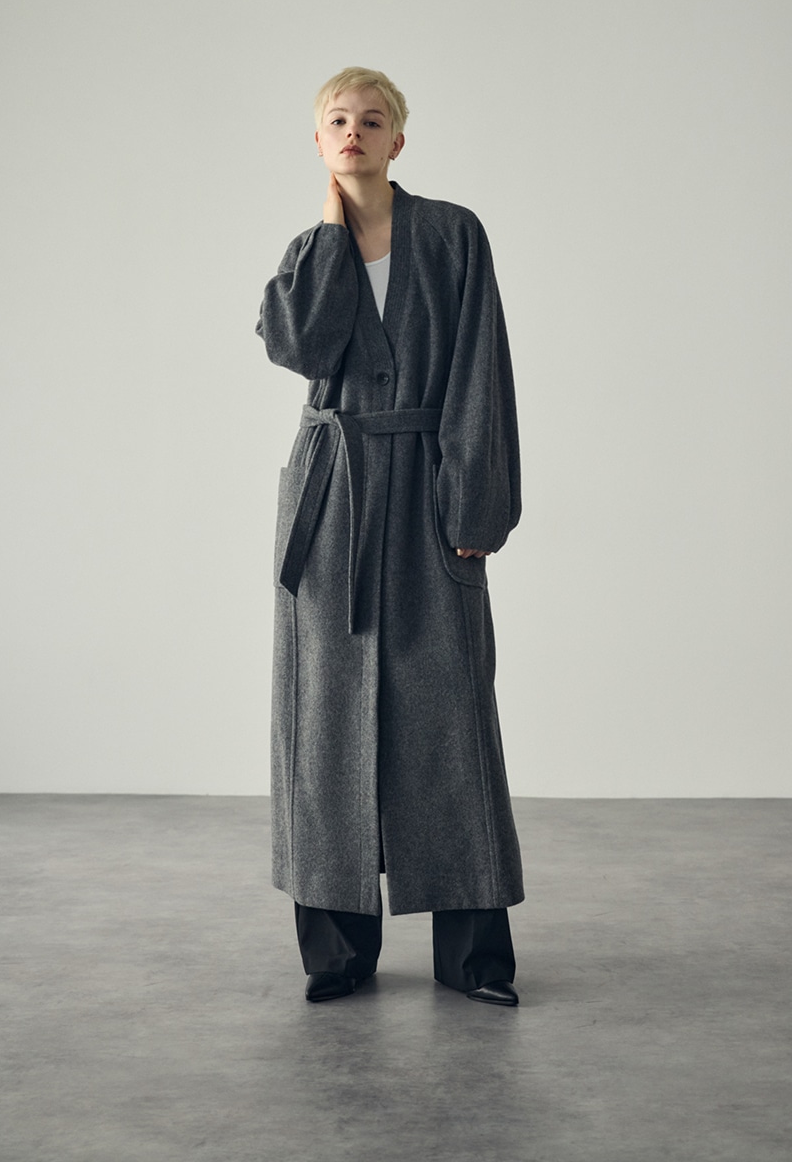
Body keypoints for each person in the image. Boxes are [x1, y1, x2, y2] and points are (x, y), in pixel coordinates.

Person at [257, 67, 523, 1006]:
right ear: (318, 141)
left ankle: (473, 959)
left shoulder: (452, 234)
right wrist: (332, 234)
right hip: (330, 501)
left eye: (373, 120)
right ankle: (337, 954)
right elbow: (296, 347)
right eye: (337, 120)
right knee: (324, 721)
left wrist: (475, 502)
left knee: (450, 717)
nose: (354, 132)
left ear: (397, 140)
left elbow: (480, 368)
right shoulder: (308, 251)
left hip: (426, 490)